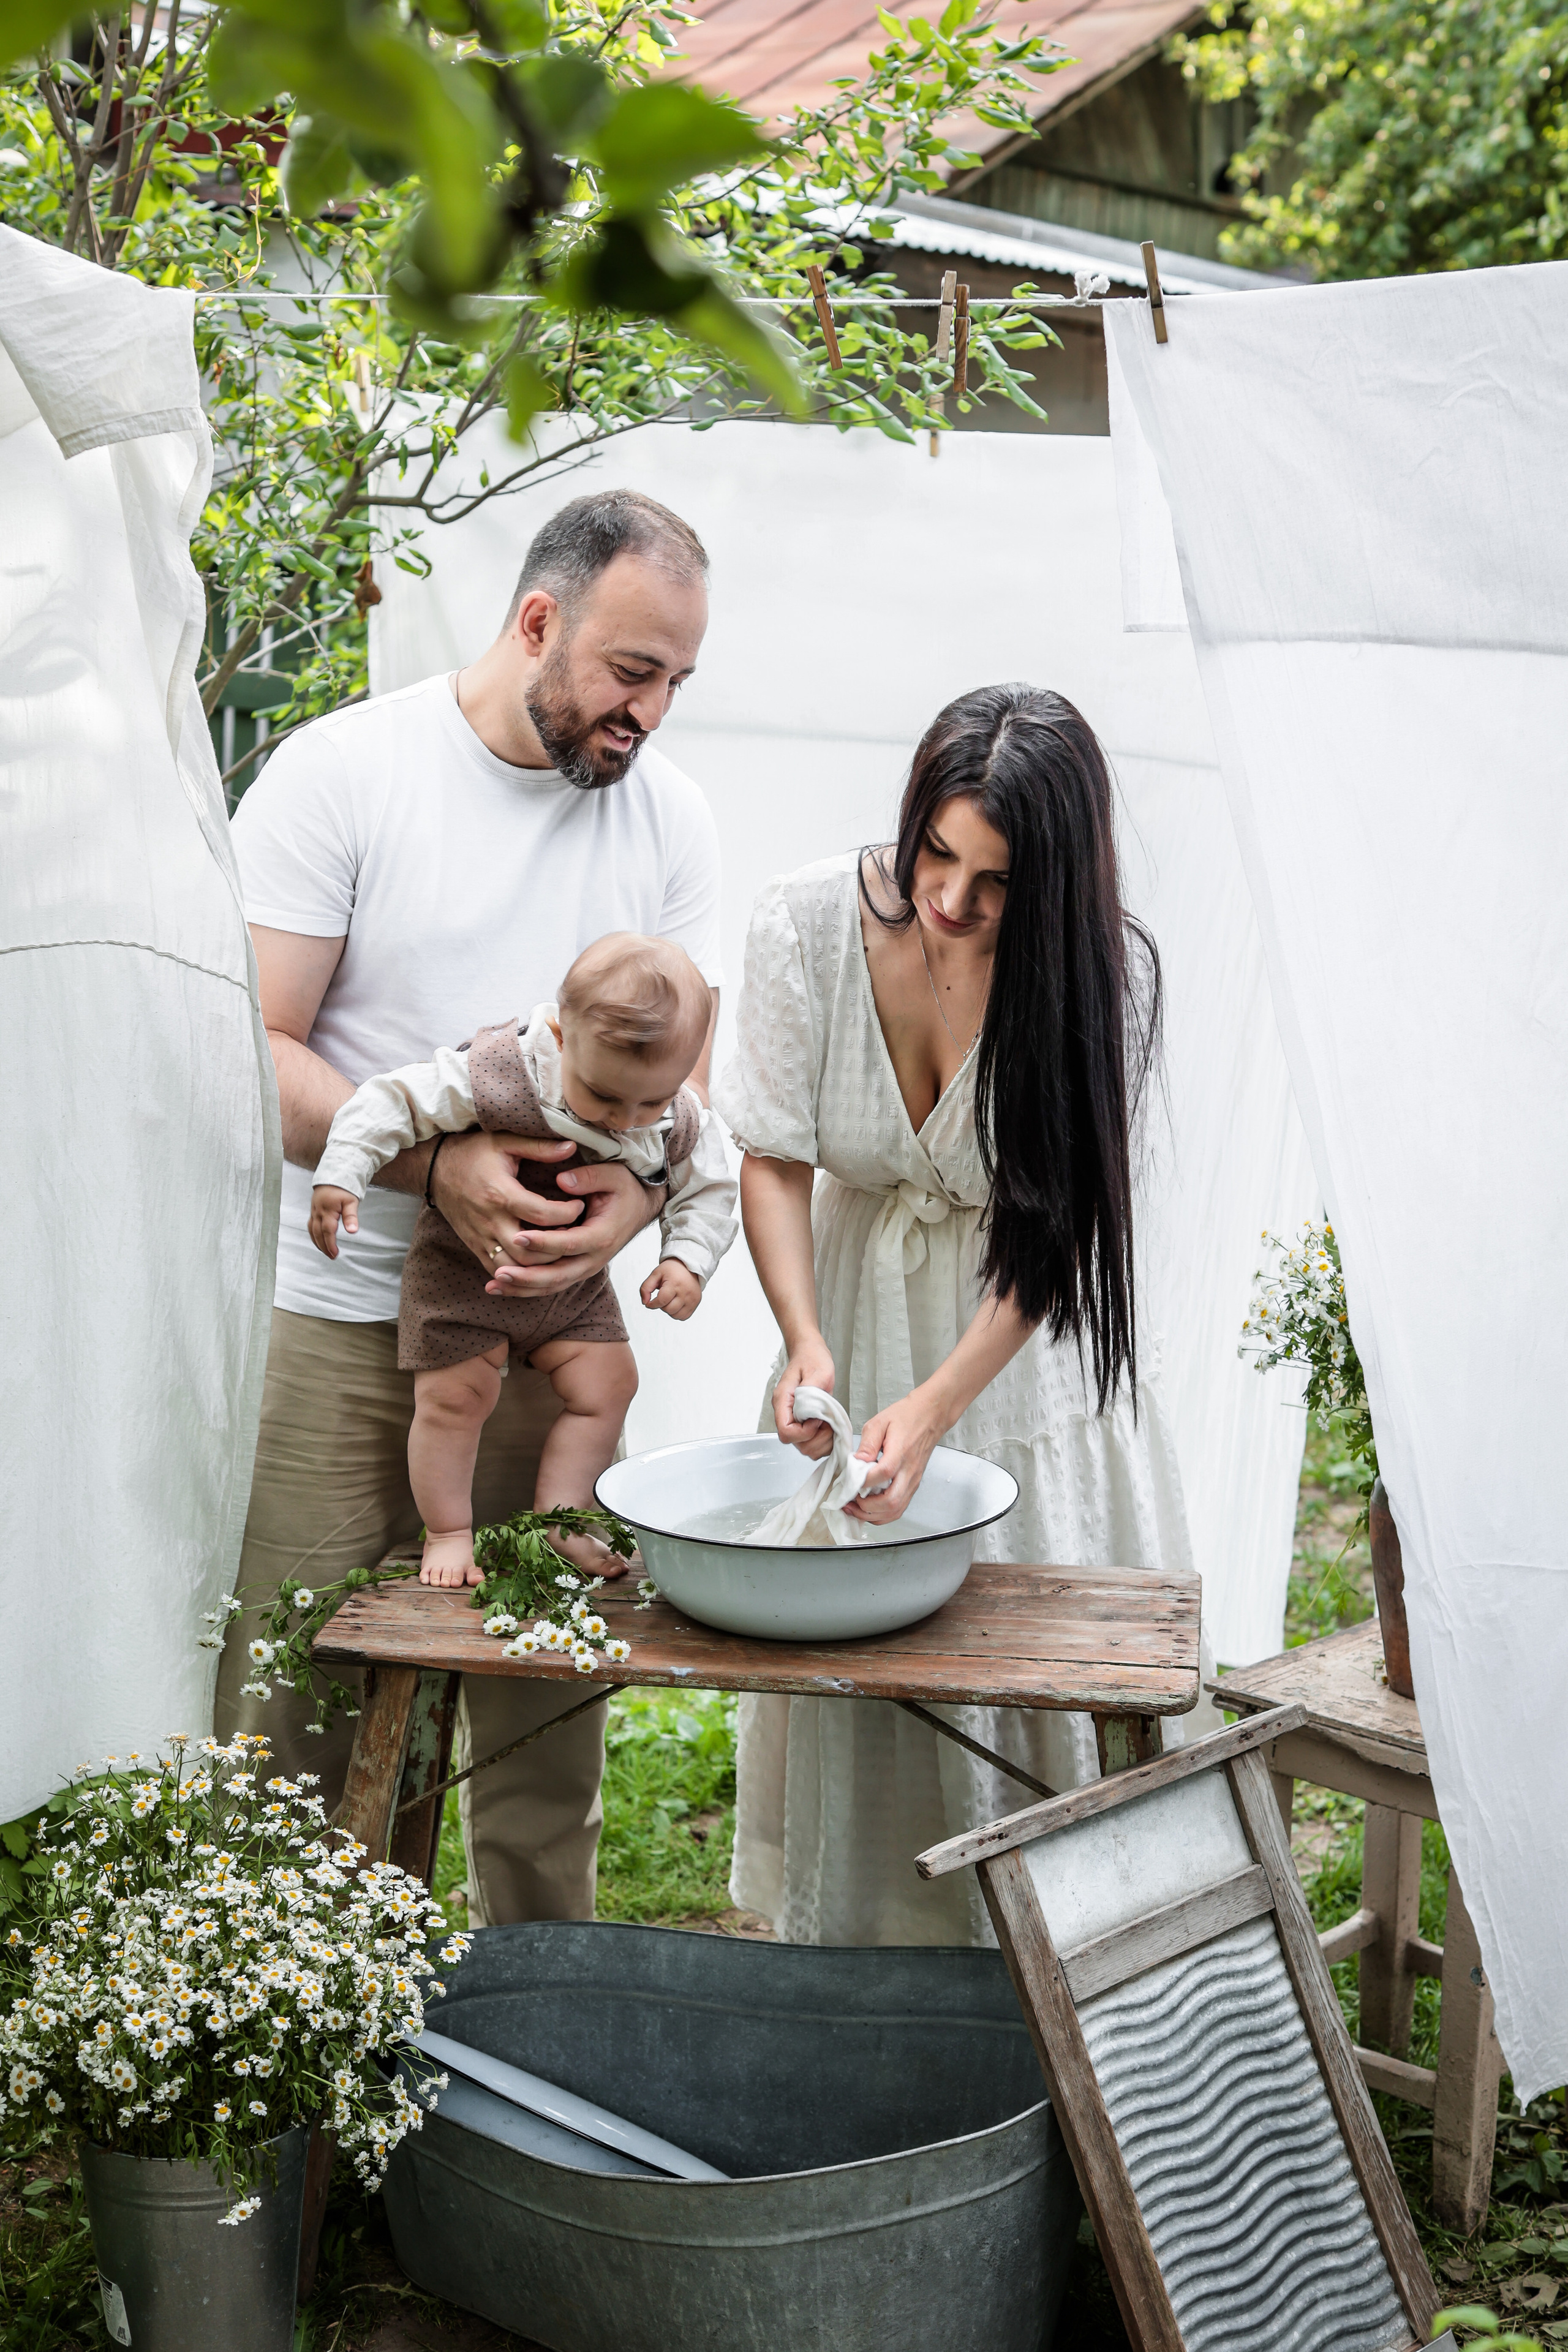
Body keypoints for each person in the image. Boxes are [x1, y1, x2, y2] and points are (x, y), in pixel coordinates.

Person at [223, 488, 722, 1927]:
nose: (651, 713)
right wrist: (429, 1164)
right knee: (301, 1731)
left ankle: (520, 2085)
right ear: (536, 621)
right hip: (339, 1329)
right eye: (632, 672)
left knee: (535, 1734)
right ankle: (303, 2123)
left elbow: (676, 1084)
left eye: (678, 681)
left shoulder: (667, 816)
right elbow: (247, 1049)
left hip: (546, 1333)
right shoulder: (344, 776)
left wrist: (628, 1220)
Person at [714, 683, 1216, 1948]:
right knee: (863, 1636)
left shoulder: (1104, 975)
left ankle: (1071, 1945)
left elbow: (1055, 1234)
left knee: (1022, 1629)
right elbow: (771, 1155)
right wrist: (807, 1339)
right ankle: (872, 1947)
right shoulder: (803, 922)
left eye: (994, 882)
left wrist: (941, 1405)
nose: (949, 899)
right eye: (936, 853)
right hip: (848, 1299)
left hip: (1012, 1341)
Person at [308, 933, 736, 1586]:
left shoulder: (672, 1114)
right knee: (453, 1400)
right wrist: (343, 1173)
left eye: (649, 1102)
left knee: (610, 1386)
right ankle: (449, 1531)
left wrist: (686, 1260)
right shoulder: (500, 1069)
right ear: (562, 1037)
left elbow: (707, 1187)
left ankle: (563, 1520)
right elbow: (391, 1101)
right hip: (462, 1276)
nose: (627, 1120)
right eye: (605, 1097)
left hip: (572, 1294)